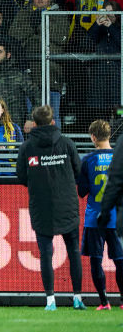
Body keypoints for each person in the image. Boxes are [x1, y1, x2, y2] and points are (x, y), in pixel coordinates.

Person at [16, 105, 83, 310]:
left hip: (41, 206)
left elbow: (21, 177)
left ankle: (50, 300)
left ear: (34, 124)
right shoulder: (67, 143)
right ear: (53, 122)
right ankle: (77, 297)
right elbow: (78, 171)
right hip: (68, 205)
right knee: (73, 251)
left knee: (45, 253)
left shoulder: (26, 147)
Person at [78, 119, 123, 310]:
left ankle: (104, 302)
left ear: (93, 137)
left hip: (94, 218)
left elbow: (82, 191)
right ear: (109, 135)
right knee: (120, 260)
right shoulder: (119, 157)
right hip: (116, 217)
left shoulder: (87, 160)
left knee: (96, 260)